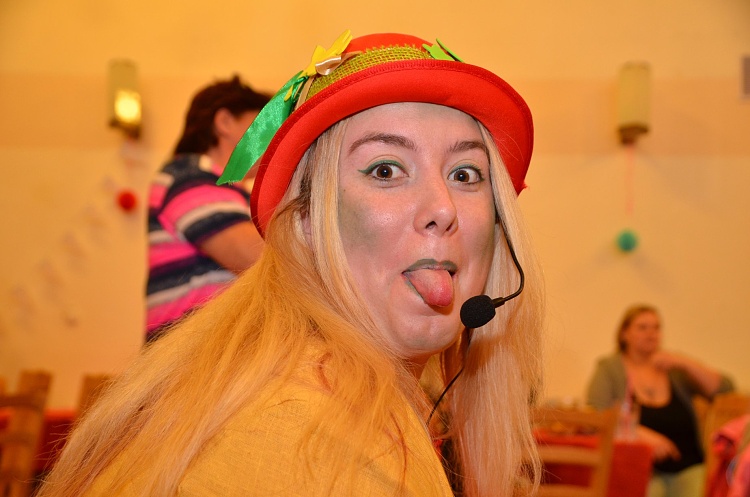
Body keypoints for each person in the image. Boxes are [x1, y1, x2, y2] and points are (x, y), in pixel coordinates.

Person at [37, 31, 545, 497]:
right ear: (303, 224)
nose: (443, 208)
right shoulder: (329, 436)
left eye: (466, 173)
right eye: (386, 170)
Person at [145, 75, 269, 342]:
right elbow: (258, 257)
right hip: (187, 355)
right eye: (264, 126)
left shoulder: (213, 186)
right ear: (225, 122)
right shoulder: (189, 176)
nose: (274, 139)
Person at [586, 304, 735, 497]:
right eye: (642, 327)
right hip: (639, 466)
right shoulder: (610, 369)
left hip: (688, 466)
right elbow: (596, 414)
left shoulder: (673, 369)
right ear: (624, 334)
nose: (651, 334)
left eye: (656, 328)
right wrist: (642, 435)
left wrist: (684, 362)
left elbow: (724, 389)